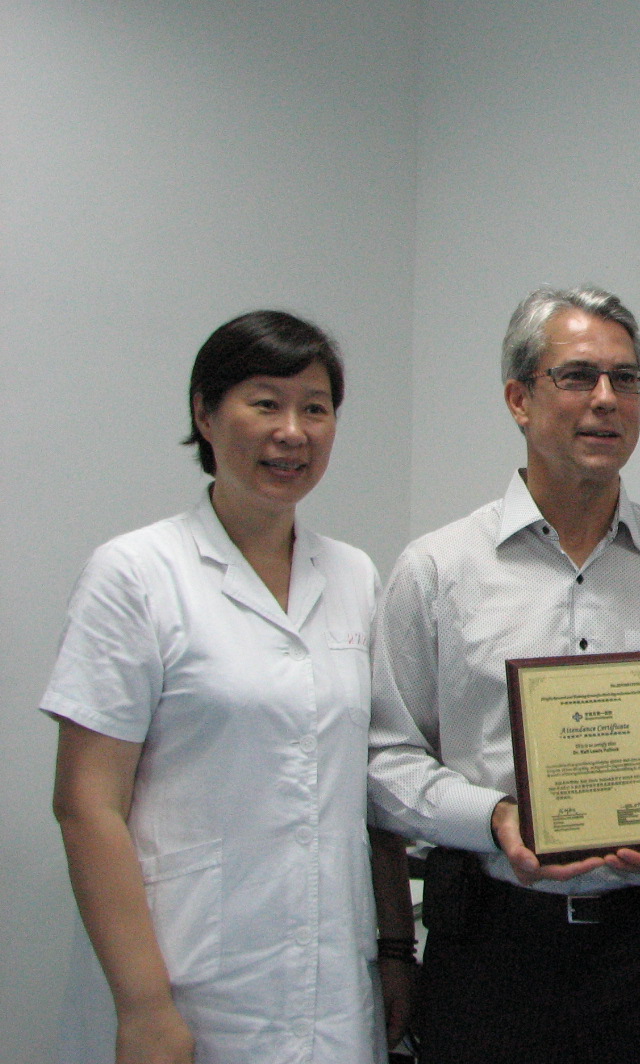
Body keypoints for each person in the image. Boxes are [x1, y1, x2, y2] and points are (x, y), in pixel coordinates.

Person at [366, 285, 640, 1064]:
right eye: (578, 376)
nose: (607, 400)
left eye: (627, 379)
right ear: (519, 399)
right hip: (488, 951)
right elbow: (384, 761)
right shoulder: (436, 571)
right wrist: (494, 818)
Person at [43, 311, 413, 1064]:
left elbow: (366, 788)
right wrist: (145, 1007)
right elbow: (86, 804)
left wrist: (396, 950)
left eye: (315, 408)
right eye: (265, 403)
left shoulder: (354, 575)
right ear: (205, 415)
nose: (293, 432)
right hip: (188, 982)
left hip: (335, 985)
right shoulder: (136, 574)